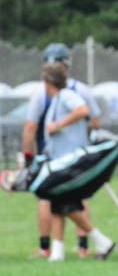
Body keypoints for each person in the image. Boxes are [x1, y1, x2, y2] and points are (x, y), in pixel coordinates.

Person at [22, 43, 101, 258]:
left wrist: (27, 155)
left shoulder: (42, 93)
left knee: (47, 198)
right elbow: (95, 122)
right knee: (79, 197)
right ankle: (82, 246)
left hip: (53, 156)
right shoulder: (81, 89)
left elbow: (30, 127)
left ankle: (46, 247)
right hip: (78, 154)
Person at [40, 63, 115, 262]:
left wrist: (58, 125)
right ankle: (57, 252)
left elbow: (82, 110)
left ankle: (102, 241)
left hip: (70, 160)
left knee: (66, 204)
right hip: (59, 159)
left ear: (48, 81)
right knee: (58, 203)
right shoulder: (58, 99)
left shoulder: (66, 95)